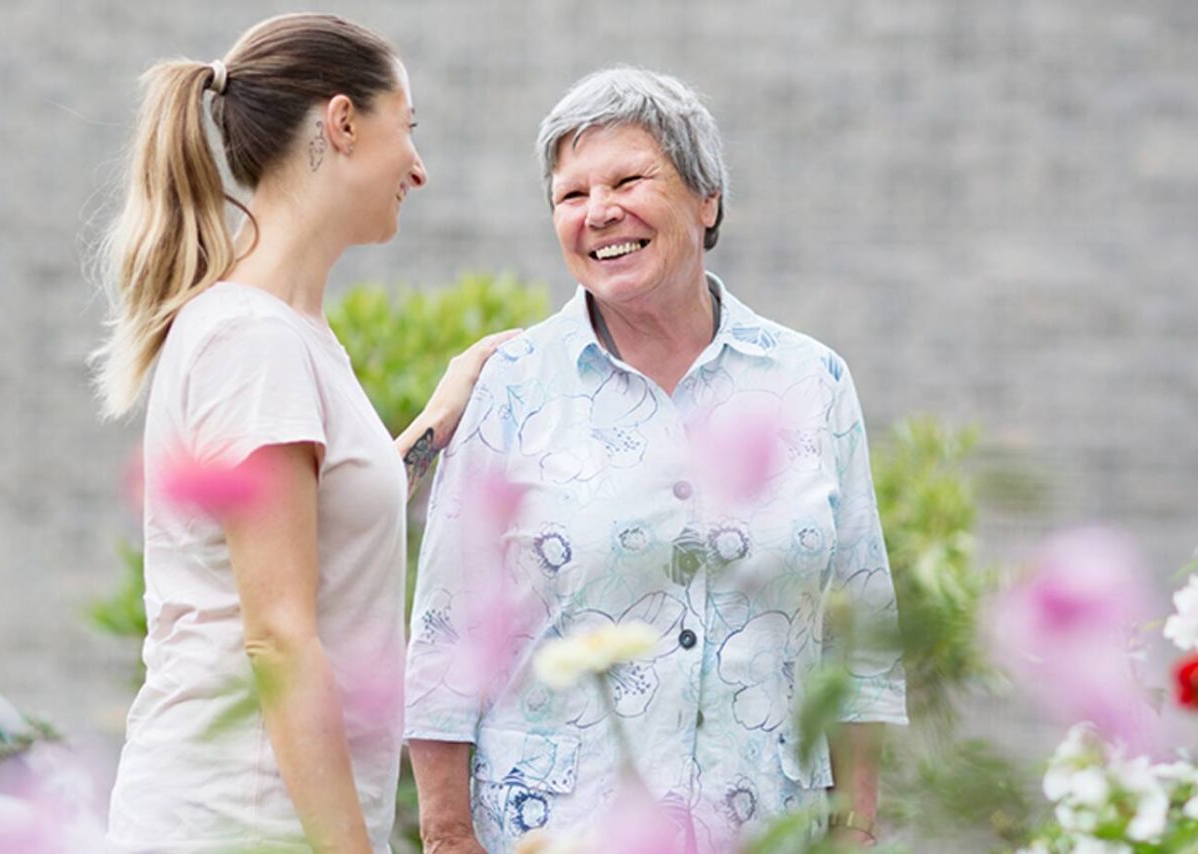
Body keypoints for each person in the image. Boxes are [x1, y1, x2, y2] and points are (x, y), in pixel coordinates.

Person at [404, 67, 907, 853]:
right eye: (571, 195)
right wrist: (446, 835)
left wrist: (857, 827)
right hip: (557, 832)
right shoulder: (513, 386)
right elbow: (447, 631)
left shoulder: (811, 380)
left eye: (629, 180)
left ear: (707, 200)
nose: (600, 212)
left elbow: (860, 629)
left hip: (765, 827)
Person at [92, 13, 514, 854]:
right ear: (344, 122)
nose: (420, 169)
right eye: (409, 128)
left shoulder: (282, 334)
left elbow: (314, 525)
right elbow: (278, 634)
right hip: (236, 823)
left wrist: (439, 416)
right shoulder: (256, 340)